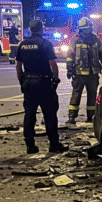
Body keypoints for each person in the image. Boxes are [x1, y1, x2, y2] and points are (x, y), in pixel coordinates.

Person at [15, 19, 67, 154]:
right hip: (43, 83)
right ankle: (54, 144)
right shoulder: (45, 44)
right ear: (41, 29)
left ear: (30, 30)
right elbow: (53, 65)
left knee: (29, 114)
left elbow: (18, 65)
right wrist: (55, 80)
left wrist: (21, 80)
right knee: (49, 114)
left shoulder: (23, 44)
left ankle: (30, 145)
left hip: (28, 82)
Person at [66, 16, 102, 127]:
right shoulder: (75, 40)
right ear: (83, 29)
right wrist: (69, 69)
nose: (90, 30)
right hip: (79, 73)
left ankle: (91, 117)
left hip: (93, 72)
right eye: (88, 28)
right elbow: (70, 56)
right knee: (76, 95)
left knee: (92, 95)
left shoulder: (95, 39)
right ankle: (72, 117)